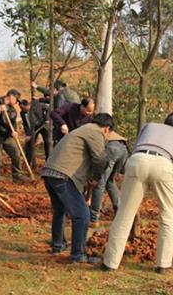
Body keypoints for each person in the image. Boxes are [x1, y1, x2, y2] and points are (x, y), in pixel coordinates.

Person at [102, 113, 173, 274]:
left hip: (136, 161)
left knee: (124, 213)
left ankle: (110, 263)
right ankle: (163, 265)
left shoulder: (149, 126)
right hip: (163, 165)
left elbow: (139, 145)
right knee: (167, 216)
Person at [41, 113, 114, 264]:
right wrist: (96, 177)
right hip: (63, 175)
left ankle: (58, 245)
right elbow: (99, 159)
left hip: (50, 172)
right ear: (106, 129)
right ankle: (78, 255)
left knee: (60, 211)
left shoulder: (83, 129)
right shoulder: (96, 133)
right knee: (82, 215)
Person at [89, 131, 129, 227]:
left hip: (111, 148)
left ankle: (93, 219)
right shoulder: (103, 129)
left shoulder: (90, 131)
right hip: (124, 148)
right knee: (110, 181)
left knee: (99, 183)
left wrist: (88, 197)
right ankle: (120, 213)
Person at [20, 98, 51, 168]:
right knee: (29, 144)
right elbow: (25, 124)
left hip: (43, 125)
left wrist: (47, 118)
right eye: (21, 108)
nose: (22, 110)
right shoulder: (22, 113)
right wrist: (28, 134)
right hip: (33, 128)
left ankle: (48, 163)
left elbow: (49, 108)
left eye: (23, 108)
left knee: (47, 143)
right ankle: (27, 163)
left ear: (27, 105)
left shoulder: (37, 105)